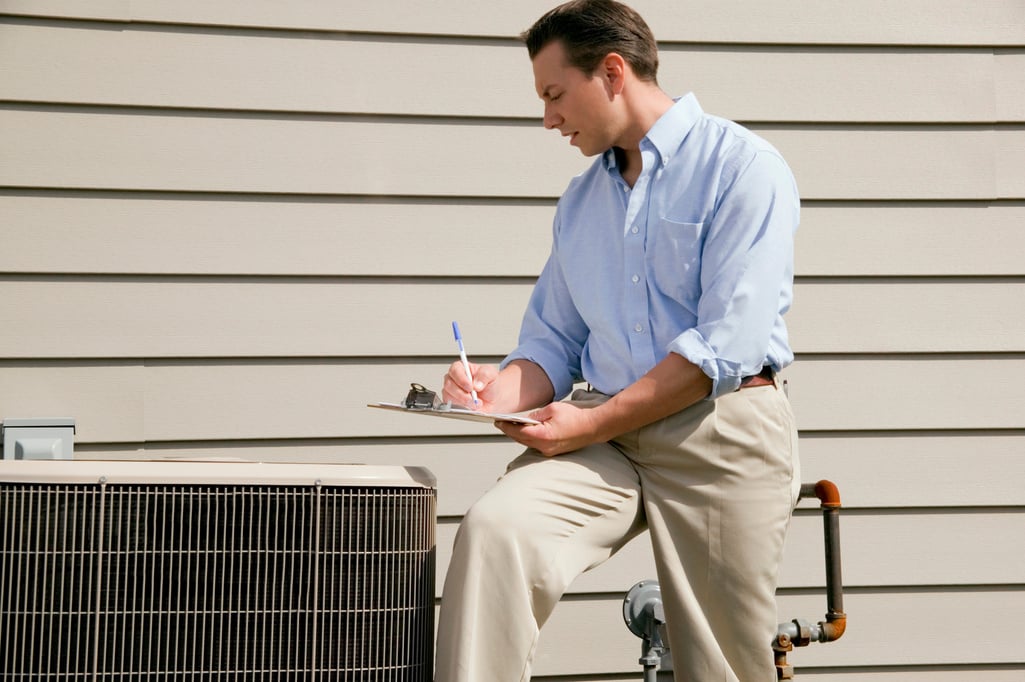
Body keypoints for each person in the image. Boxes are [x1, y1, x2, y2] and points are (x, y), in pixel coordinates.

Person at [434, 1, 801, 679]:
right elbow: (551, 342)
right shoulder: (580, 202)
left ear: (610, 72)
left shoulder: (743, 168)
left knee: (720, 661)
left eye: (553, 94)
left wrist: (587, 421)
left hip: (718, 432)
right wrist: (493, 392)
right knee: (496, 533)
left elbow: (721, 348)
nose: (547, 118)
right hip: (603, 438)